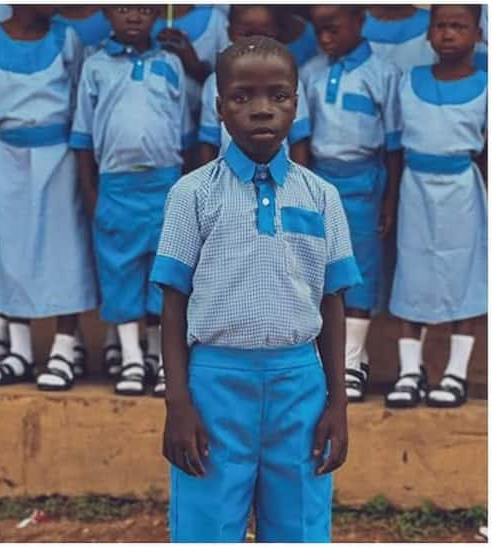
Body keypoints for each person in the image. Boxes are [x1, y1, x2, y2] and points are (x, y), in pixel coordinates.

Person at [152, 36, 359, 542]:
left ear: (296, 104)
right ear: (219, 108)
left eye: (278, 96)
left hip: (300, 384)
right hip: (215, 385)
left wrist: (338, 403)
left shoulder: (322, 196)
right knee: (206, 523)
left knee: (301, 525)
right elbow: (173, 306)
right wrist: (177, 403)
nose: (261, 110)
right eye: (243, 97)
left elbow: (333, 304)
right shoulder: (192, 194)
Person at [66, 5, 193, 396]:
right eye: (123, 8)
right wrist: (92, 195)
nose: (134, 16)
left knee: (164, 274)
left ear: (157, 14)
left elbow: (185, 133)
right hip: (116, 186)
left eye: (143, 8)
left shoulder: (171, 63)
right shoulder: (95, 65)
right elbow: (83, 138)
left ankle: (160, 361)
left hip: (165, 185)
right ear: (107, 13)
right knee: (119, 273)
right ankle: (131, 359)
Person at [387, 4, 487, 409]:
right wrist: (390, 199)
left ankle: (455, 373)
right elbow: (393, 148)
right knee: (413, 271)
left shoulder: (487, 84)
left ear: (478, 34)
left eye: (459, 26)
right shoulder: (408, 82)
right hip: (415, 188)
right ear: (427, 34)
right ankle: (411, 370)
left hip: (463, 189)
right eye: (440, 26)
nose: (449, 34)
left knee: (466, 273)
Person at [0, 6, 99, 388]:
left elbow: (78, 102)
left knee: (64, 250)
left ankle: (63, 348)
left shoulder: (66, 38)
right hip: (8, 158)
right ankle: (19, 351)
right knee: (11, 250)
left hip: (59, 157)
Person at [303, 5, 402, 403]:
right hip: (318, 179)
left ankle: (351, 363)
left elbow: (394, 145)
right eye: (319, 31)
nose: (325, 39)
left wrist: (390, 198)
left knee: (359, 271)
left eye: (334, 29)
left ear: (360, 23)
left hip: (365, 182)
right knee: (317, 270)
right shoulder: (310, 72)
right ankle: (325, 361)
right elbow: (301, 140)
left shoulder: (384, 73)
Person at [197, 4, 311, 167]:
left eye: (265, 35)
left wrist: (300, 185)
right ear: (229, 32)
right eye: (240, 97)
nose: (255, 43)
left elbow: (298, 140)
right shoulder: (214, 82)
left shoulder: (291, 81)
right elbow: (209, 141)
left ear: (277, 33)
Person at [152, 5, 231, 122]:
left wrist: (194, 65)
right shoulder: (137, 23)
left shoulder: (216, 20)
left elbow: (227, 80)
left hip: (206, 119)